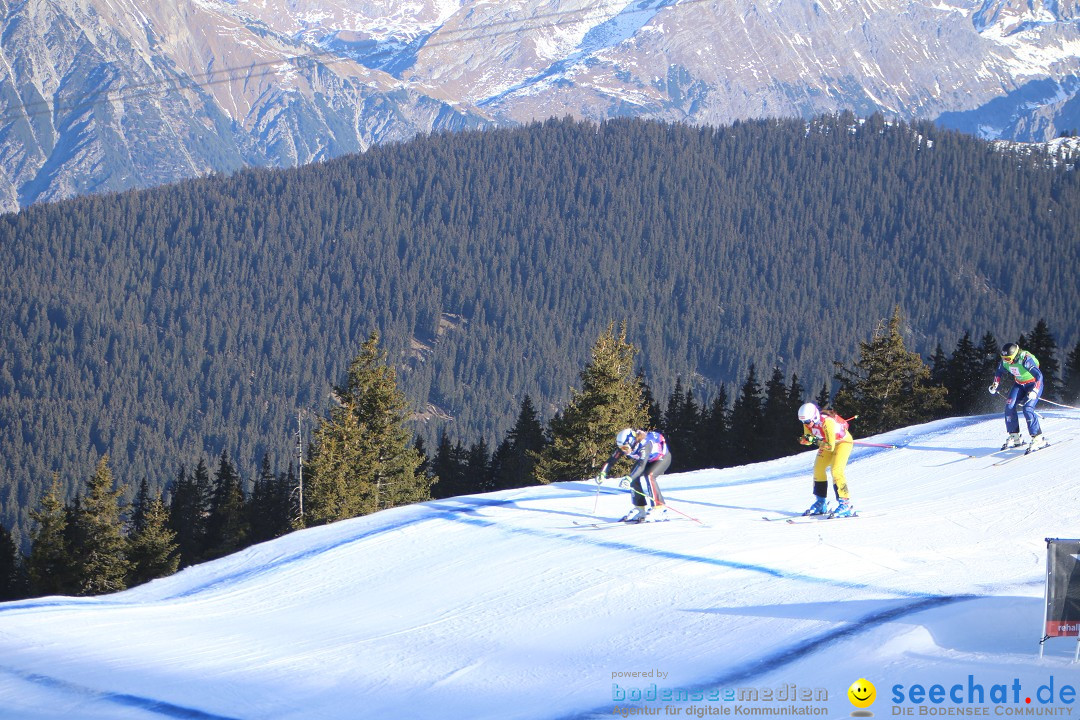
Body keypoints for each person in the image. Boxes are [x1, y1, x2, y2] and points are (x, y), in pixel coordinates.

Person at [596, 428, 671, 522]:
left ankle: (659, 509)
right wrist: (603, 473)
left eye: (625, 448)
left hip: (661, 458)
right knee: (633, 477)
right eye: (621, 448)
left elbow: (641, 465)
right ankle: (640, 509)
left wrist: (629, 479)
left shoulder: (645, 444)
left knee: (649, 475)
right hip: (646, 460)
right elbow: (611, 460)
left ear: (631, 442)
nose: (624, 451)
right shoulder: (625, 445)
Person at [796, 402, 856, 517]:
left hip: (842, 443)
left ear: (814, 417)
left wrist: (813, 440)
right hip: (826, 444)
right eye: (803, 422)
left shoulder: (827, 422)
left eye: (807, 421)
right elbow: (810, 438)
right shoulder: (807, 422)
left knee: (836, 470)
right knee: (818, 469)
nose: (806, 424)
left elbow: (830, 446)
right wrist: (806, 440)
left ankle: (845, 503)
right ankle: (821, 502)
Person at [989, 342, 1047, 452]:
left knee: (1027, 409)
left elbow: (1039, 376)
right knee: (1009, 406)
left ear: (1015, 355)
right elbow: (999, 371)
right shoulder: (1005, 361)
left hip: (1033, 384)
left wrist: (1035, 390)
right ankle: (1015, 436)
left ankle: (1038, 437)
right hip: (1020, 384)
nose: (1006, 361)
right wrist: (995, 384)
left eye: (1008, 358)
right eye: (1003, 358)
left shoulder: (1024, 360)